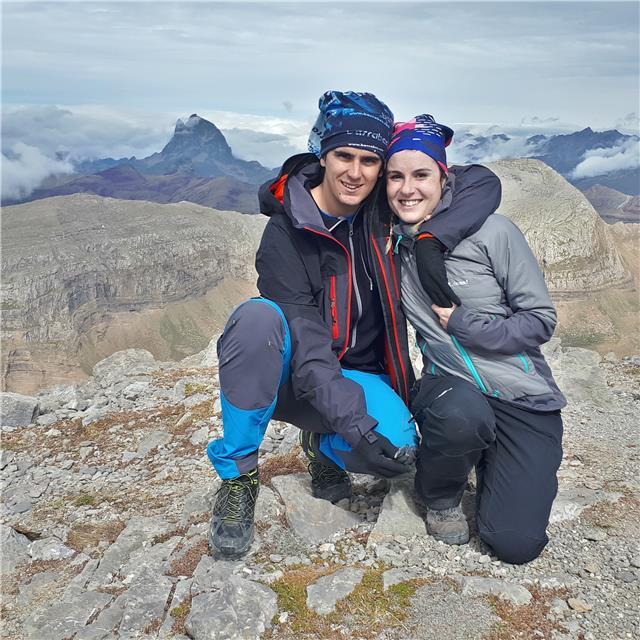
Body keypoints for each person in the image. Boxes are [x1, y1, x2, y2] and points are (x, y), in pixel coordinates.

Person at [206, 92, 501, 557]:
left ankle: (321, 446)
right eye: (344, 155)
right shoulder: (285, 232)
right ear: (322, 154)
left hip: (362, 374)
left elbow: (481, 182)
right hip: (295, 372)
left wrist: (431, 239)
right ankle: (239, 476)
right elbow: (304, 341)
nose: (355, 172)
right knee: (256, 319)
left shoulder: (380, 211)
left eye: (370, 160)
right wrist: (354, 423)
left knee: (395, 454)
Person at [385, 114, 566, 564]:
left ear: (443, 179)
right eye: (396, 177)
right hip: (451, 387)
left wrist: (466, 324)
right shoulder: (388, 242)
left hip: (523, 397)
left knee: (515, 543)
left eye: (421, 175)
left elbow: (540, 320)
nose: (407, 189)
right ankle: (441, 494)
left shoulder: (493, 232)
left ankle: (493, 460)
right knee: (461, 415)